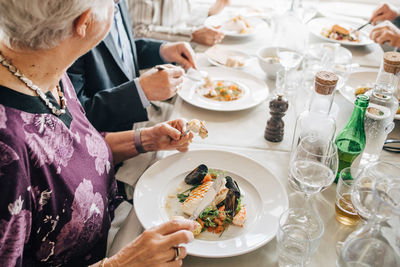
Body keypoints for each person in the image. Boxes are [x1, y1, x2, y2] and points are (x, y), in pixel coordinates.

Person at [0, 0, 196, 266]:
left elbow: (69, 148)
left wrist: (145, 139)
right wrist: (122, 263)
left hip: (117, 223)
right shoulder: (6, 150)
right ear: (84, 21)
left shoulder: (44, 65)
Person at [68, 0, 198, 132]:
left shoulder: (119, 2)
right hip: (108, 137)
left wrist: (162, 50)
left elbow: (121, 52)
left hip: (142, 114)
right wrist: (140, 92)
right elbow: (77, 116)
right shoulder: (73, 17)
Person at [127, 0, 229, 46]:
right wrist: (192, 35)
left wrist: (211, 11)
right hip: (156, 57)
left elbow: (183, 15)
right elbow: (139, 31)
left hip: (182, 47)